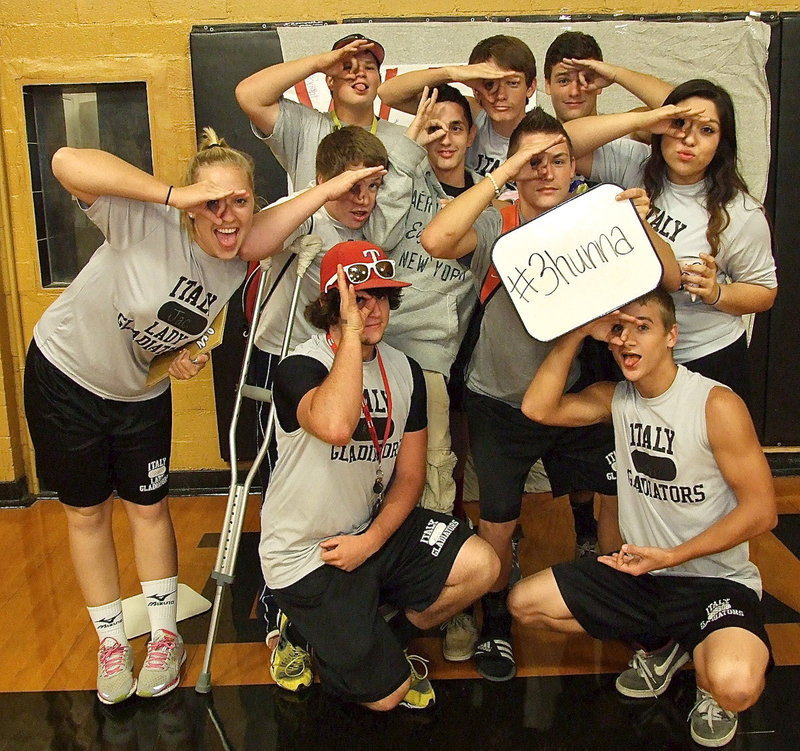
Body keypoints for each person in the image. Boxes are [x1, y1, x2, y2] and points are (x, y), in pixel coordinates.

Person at [421, 106, 680, 682]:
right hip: (498, 401)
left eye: (557, 160)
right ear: (515, 167)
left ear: (572, 166)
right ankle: (494, 620)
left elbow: (670, 279)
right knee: (497, 522)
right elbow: (436, 238)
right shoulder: (499, 223)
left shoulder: (597, 217)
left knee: (610, 497)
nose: (545, 172)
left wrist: (645, 225)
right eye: (531, 162)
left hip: (573, 395)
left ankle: (617, 598)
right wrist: (505, 171)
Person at [24, 129, 268, 704]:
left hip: (138, 395)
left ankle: (164, 639)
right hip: (65, 376)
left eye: (239, 201)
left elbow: (161, 319)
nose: (226, 215)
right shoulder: (146, 221)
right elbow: (65, 160)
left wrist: (176, 354)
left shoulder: (235, 257)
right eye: (212, 201)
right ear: (191, 204)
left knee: (149, 509)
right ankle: (112, 643)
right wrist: (171, 196)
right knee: (87, 515)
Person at [509, 287, 776, 748]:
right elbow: (538, 408)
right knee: (525, 603)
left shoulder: (716, 404)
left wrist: (673, 555)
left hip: (713, 582)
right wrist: (578, 330)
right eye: (619, 330)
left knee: (735, 685)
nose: (627, 341)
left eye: (643, 328)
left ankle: (702, 673)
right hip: (642, 576)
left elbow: (762, 511)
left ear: (672, 336)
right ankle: (666, 646)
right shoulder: (616, 398)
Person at [258, 240, 499, 709]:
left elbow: (409, 476)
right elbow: (335, 425)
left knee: (484, 567)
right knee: (388, 697)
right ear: (332, 304)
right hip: (308, 553)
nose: (373, 311)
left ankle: (384, 631)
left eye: (382, 297)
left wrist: (372, 540)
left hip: (370, 532)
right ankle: (307, 634)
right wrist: (349, 334)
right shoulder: (300, 367)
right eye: (359, 298)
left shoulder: (404, 369)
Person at [564, 76, 777, 402]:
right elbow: (562, 144)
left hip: (703, 355)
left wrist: (716, 292)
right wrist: (645, 118)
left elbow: (764, 292)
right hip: (630, 351)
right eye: (679, 125)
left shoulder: (741, 212)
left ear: (723, 142)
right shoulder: (636, 165)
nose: (689, 140)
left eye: (707, 130)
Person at [236, 33, 406, 190]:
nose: (360, 73)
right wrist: (317, 64)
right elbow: (249, 95)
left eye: (369, 68)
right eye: (347, 67)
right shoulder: (304, 128)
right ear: (330, 80)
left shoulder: (403, 139)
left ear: (380, 80)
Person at [377, 35, 537, 191]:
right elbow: (387, 94)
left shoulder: (543, 135)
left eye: (512, 83)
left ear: (530, 87)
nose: (501, 95)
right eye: (489, 84)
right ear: (476, 91)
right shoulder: (470, 112)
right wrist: (451, 74)